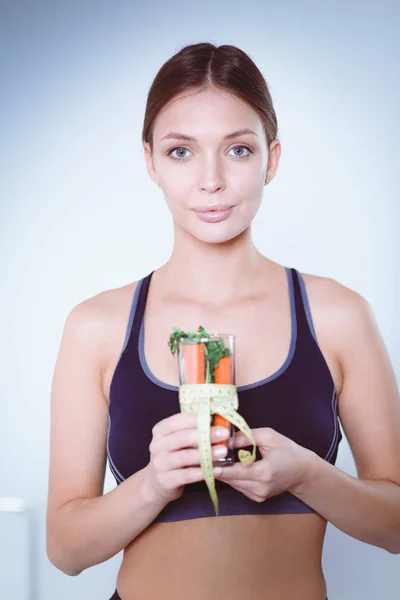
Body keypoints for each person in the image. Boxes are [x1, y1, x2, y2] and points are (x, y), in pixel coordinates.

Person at [46, 42, 400, 600]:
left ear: (271, 159)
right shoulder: (96, 327)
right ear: (150, 162)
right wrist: (155, 483)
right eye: (181, 152)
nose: (210, 181)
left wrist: (307, 474)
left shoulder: (337, 316)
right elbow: (65, 551)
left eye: (237, 149)